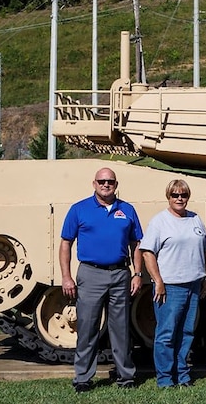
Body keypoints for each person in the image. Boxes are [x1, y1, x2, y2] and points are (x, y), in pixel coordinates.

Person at [59, 167, 144, 393]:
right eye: (101, 181)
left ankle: (125, 376)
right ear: (94, 183)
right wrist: (66, 277)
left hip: (120, 273)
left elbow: (136, 244)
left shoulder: (127, 209)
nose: (106, 185)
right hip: (90, 273)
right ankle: (83, 377)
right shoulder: (79, 209)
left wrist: (137, 273)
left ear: (116, 184)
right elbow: (66, 243)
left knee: (121, 328)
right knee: (87, 327)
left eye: (110, 181)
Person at [139, 179, 206, 389]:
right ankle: (165, 379)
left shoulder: (195, 219)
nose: (179, 198)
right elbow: (147, 253)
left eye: (183, 195)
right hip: (171, 286)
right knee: (167, 333)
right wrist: (158, 281)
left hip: (193, 284)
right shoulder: (159, 221)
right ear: (168, 197)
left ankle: (182, 375)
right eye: (175, 195)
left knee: (187, 332)